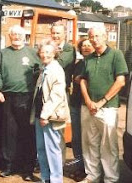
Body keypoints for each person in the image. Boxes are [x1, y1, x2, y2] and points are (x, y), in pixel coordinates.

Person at [79, 26, 128, 183]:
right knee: (89, 143)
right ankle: (92, 176)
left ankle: (110, 179)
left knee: (108, 146)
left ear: (105, 36)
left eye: (97, 36)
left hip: (107, 109)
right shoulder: (89, 58)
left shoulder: (116, 54)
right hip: (88, 108)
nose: (94, 39)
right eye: (91, 36)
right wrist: (88, 101)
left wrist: (101, 102)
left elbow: (120, 81)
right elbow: (82, 80)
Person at [0, 25, 39, 181]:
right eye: (14, 34)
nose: (17, 37)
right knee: (9, 133)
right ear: (9, 36)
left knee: (27, 133)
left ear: (24, 36)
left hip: (27, 97)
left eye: (20, 34)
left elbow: (42, 71)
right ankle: (9, 166)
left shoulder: (33, 53)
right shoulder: (3, 53)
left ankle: (27, 169)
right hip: (8, 97)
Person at [31, 39, 71, 183]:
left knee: (53, 150)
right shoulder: (44, 69)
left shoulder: (56, 70)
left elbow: (56, 95)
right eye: (42, 52)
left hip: (49, 117)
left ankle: (56, 180)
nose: (44, 54)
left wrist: (44, 115)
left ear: (54, 53)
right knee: (41, 150)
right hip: (39, 115)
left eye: (48, 52)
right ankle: (45, 178)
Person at [64, 38, 95, 180]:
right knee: (76, 138)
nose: (87, 48)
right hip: (76, 104)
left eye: (89, 45)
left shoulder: (95, 62)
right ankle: (79, 166)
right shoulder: (78, 64)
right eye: (84, 46)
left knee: (90, 139)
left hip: (89, 106)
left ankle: (90, 169)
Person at [51, 21, 76, 165]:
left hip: (60, 94)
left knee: (59, 128)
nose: (55, 36)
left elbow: (58, 64)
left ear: (64, 34)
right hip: (47, 93)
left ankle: (58, 163)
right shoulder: (52, 47)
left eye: (58, 33)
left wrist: (47, 53)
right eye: (53, 33)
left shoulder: (68, 49)